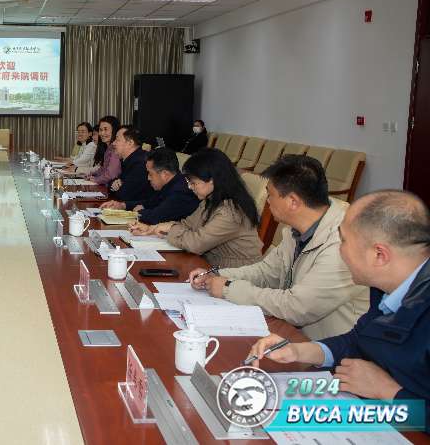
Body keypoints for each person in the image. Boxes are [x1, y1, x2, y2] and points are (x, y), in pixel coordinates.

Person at [248, 190, 430, 431]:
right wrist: (299, 351)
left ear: (379, 255)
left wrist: (388, 391)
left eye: (343, 241)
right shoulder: (386, 286)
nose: (340, 251)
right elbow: (359, 340)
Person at [188, 155, 368, 339]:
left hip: (327, 348)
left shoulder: (343, 242)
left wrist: (229, 289)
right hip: (292, 334)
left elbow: (298, 307)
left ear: (293, 202)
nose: (267, 201)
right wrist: (217, 275)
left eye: (270, 194)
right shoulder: (297, 229)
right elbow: (267, 273)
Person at [134, 148, 262, 269]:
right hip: (211, 265)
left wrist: (170, 228)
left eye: (193, 183)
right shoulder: (210, 199)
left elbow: (196, 243)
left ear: (211, 180)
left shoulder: (231, 212)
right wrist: (153, 229)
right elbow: (187, 225)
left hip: (236, 272)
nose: (190, 187)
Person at [102, 147, 199, 225]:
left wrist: (140, 212)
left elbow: (156, 217)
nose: (148, 178)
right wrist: (123, 205)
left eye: (150, 174)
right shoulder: (170, 184)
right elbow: (150, 202)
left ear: (164, 174)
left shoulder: (181, 191)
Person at [108, 125, 154, 202]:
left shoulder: (140, 163)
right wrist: (114, 184)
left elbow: (124, 195)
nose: (113, 143)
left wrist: (118, 186)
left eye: (117, 140)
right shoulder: (130, 159)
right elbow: (112, 182)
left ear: (130, 143)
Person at [87, 115, 121, 186]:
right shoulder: (108, 148)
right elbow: (104, 169)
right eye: (100, 130)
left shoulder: (116, 148)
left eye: (105, 129)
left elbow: (111, 174)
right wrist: (92, 174)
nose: (102, 133)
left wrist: (96, 180)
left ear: (114, 130)